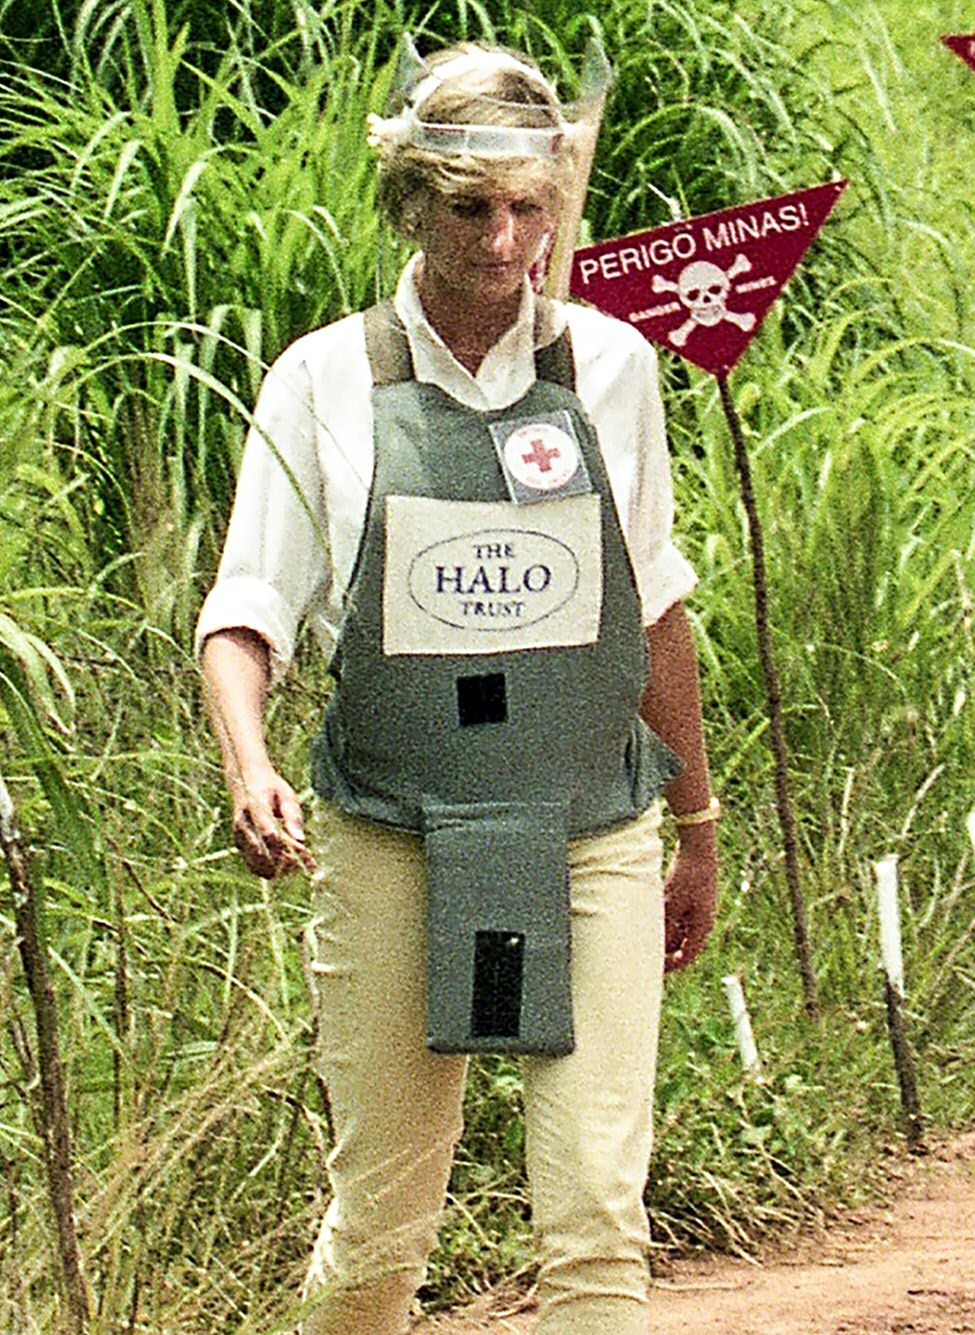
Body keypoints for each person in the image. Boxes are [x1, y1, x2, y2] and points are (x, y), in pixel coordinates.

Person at [196, 41, 718, 1335]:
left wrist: (698, 825)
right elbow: (246, 611)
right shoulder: (322, 381)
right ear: (410, 202)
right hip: (394, 838)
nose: (505, 240)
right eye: (471, 207)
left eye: (532, 205)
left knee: (598, 1216)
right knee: (381, 1229)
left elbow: (652, 606)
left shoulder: (614, 371)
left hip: (590, 833)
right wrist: (248, 764)